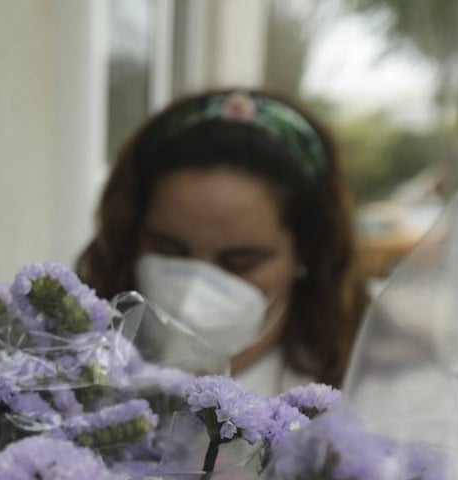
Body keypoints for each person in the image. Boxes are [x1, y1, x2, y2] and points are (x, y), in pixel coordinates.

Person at [75, 88, 368, 394]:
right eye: (168, 250)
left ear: (306, 251)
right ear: (129, 233)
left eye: (239, 262)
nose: (193, 291)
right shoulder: (64, 369)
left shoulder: (366, 392)